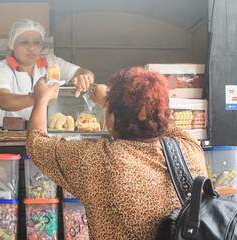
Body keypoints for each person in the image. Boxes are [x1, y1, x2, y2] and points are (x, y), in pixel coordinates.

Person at [26, 67, 207, 239]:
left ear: (111, 120)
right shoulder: (190, 149)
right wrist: (111, 102)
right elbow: (164, 122)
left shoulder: (99, 161)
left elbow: (37, 143)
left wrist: (41, 99)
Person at [0, 19, 94, 130]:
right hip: (8, 138)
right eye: (24, 42)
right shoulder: (1, 69)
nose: (31, 48)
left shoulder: (51, 62)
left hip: (42, 138)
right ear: (12, 44)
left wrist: (85, 78)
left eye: (36, 42)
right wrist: (40, 97)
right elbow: (4, 101)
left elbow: (85, 72)